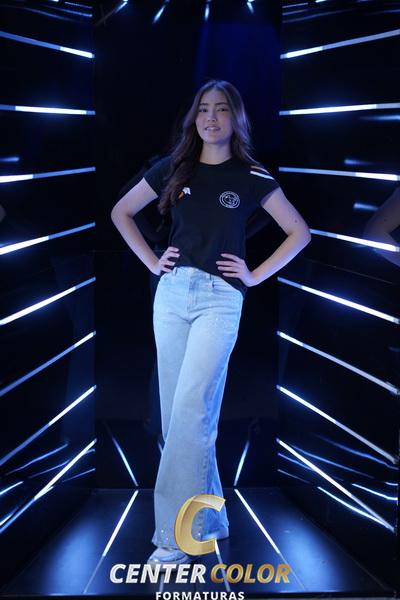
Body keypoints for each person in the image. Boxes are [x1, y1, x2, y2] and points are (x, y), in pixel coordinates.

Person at [110, 79, 311, 569]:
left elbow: (299, 232)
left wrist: (254, 275)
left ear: (235, 119)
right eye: (204, 109)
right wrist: (153, 262)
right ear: (194, 118)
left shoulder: (251, 175)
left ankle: (174, 537)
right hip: (172, 296)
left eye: (221, 109)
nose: (211, 118)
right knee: (179, 418)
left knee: (191, 414)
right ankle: (210, 520)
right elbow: (121, 212)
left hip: (220, 300)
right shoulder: (173, 168)